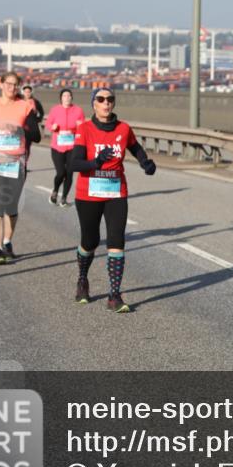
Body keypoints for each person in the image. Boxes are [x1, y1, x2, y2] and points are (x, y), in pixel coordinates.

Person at [69, 88, 156, 314]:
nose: (106, 103)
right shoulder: (85, 129)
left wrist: (146, 163)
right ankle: (82, 279)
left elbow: (136, 148)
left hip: (116, 192)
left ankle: (114, 295)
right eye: (100, 99)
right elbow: (74, 163)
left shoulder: (123, 128)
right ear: (94, 104)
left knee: (116, 239)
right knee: (90, 241)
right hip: (88, 193)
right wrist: (95, 162)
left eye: (110, 99)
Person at [0, 71, 41, 265]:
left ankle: (7, 241)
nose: (12, 88)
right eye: (9, 84)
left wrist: (21, 129)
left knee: (11, 206)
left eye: (15, 85)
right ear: (1, 84)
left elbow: (36, 136)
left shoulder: (25, 106)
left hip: (16, 161)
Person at [45, 89, 85, 207]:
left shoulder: (78, 111)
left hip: (72, 147)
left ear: (72, 98)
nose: (67, 97)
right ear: (61, 98)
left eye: (69, 96)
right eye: (64, 96)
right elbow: (47, 124)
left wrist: (80, 126)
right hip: (57, 146)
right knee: (61, 172)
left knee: (69, 173)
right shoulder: (55, 110)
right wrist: (53, 127)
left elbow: (82, 127)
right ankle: (55, 191)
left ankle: (64, 198)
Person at [21, 85, 44, 170]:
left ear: (31, 92)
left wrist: (37, 120)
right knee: (19, 146)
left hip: (31, 127)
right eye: (25, 91)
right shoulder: (19, 101)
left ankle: (24, 165)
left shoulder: (35, 102)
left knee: (27, 147)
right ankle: (18, 164)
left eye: (29, 92)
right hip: (21, 126)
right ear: (22, 92)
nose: (27, 93)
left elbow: (41, 112)